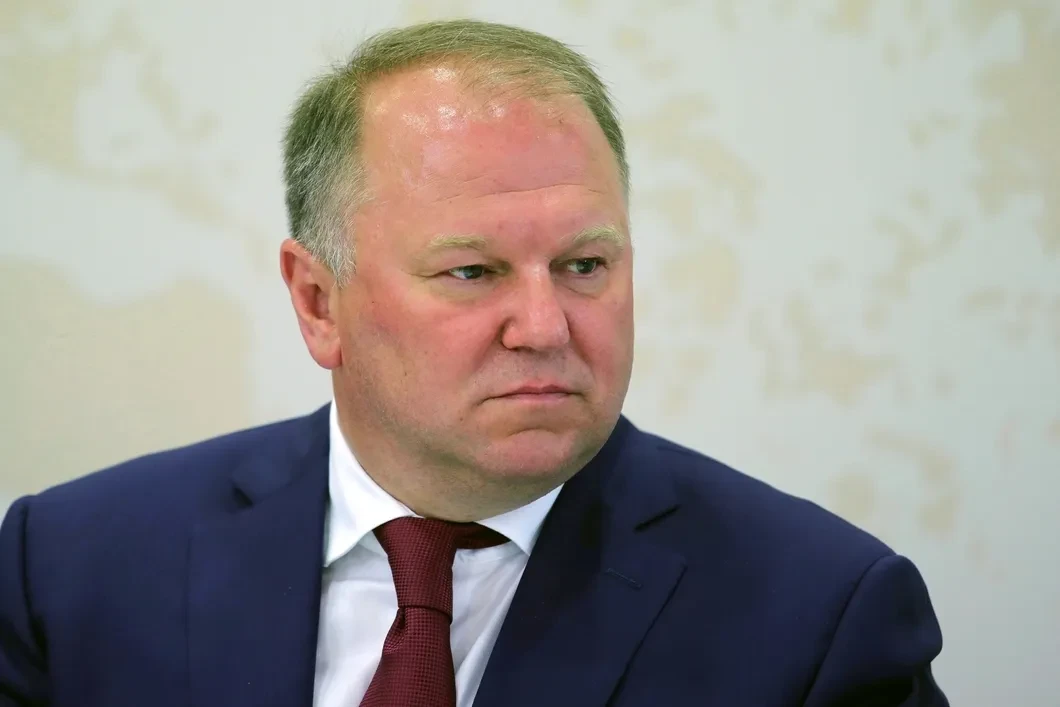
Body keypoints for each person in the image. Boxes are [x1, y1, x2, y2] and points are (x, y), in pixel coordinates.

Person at [0, 18, 948, 707]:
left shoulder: (821, 618)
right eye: (472, 271)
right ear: (319, 301)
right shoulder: (72, 568)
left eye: (584, 264)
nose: (544, 325)